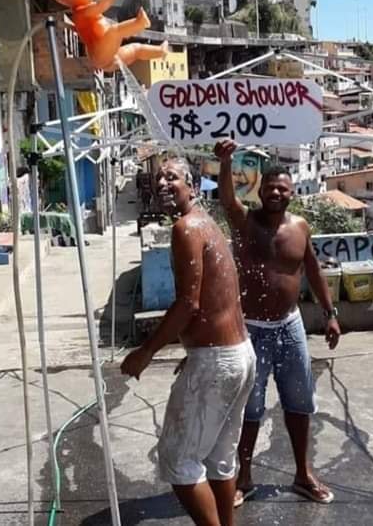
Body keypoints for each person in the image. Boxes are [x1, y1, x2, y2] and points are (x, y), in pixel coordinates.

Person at [121, 157, 256, 526]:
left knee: (178, 460)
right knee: (220, 457)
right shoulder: (207, 223)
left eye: (172, 177)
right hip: (238, 354)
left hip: (219, 360)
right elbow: (216, 299)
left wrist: (146, 352)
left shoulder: (186, 227)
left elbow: (188, 303)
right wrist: (196, 349)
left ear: (192, 186)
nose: (162, 184)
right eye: (158, 179)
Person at [214, 139, 341, 507]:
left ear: (292, 193)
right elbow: (227, 200)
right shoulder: (244, 222)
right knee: (250, 408)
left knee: (300, 402)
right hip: (250, 328)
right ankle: (244, 477)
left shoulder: (300, 226)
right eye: (269, 187)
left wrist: (330, 314)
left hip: (290, 325)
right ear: (260, 191)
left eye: (282, 189)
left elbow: (313, 270)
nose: (275, 193)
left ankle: (303, 474)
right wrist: (226, 162)